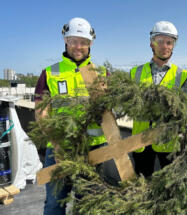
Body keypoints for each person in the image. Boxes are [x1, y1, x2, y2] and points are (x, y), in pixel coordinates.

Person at [35, 17, 110, 215]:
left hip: (93, 149)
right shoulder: (50, 73)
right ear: (65, 40)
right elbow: (41, 113)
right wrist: (57, 144)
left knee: (88, 202)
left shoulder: (102, 73)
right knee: (54, 203)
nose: (78, 46)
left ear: (90, 43)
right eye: (73, 40)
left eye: (83, 42)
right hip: (59, 148)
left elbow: (110, 111)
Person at [130, 21, 187, 177]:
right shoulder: (135, 73)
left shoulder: (183, 76)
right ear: (152, 43)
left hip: (168, 144)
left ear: (173, 45)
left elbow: (185, 111)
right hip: (141, 142)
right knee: (141, 189)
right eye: (160, 41)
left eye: (169, 42)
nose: (165, 46)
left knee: (168, 191)